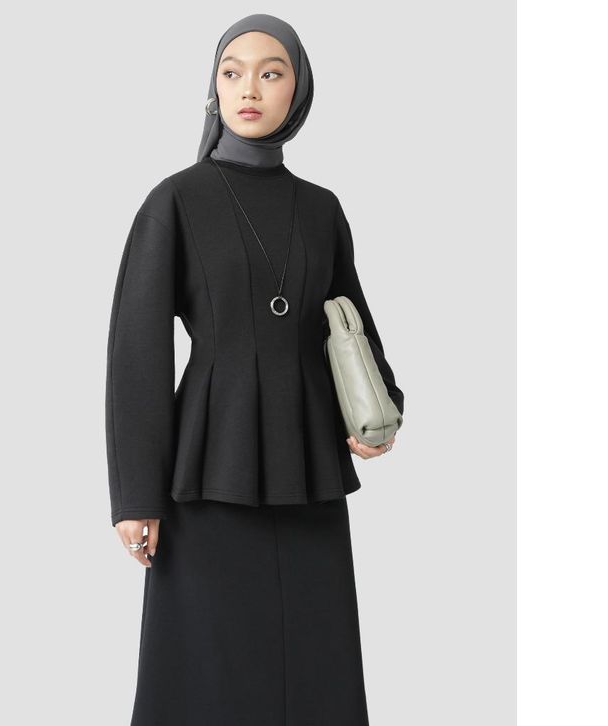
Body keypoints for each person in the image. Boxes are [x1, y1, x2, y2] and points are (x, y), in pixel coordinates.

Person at [105, 13, 405, 726]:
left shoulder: (322, 209)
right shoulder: (176, 200)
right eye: (232, 72)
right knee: (207, 666)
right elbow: (136, 352)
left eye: (271, 72)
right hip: (210, 464)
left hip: (308, 464)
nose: (249, 89)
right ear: (213, 88)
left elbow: (352, 322)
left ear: (297, 89)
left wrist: (382, 410)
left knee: (316, 661)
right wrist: (135, 495)